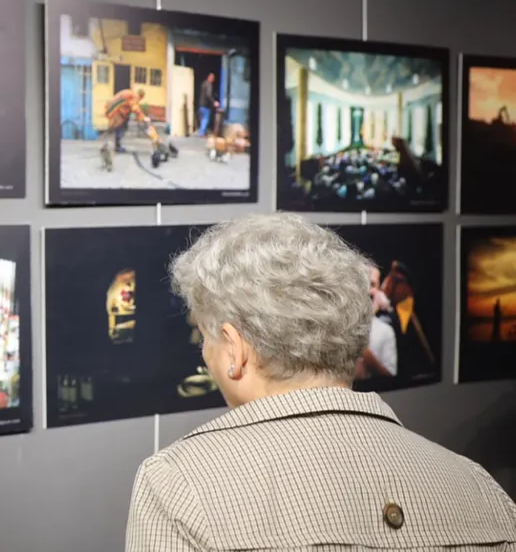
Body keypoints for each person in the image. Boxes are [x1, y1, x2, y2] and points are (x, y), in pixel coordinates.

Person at [126, 213, 516, 551]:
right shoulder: (477, 487)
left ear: (235, 349)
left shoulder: (178, 485)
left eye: (206, 337)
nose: (205, 353)